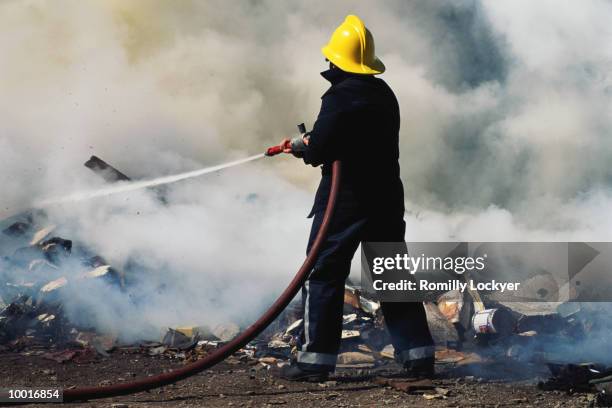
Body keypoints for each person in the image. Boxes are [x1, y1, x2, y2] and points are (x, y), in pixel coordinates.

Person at [276, 15, 434, 382]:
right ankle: (419, 356)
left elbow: (325, 145)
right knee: (392, 272)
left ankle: (315, 361)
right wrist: (316, 141)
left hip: (346, 199)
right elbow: (352, 137)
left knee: (324, 271)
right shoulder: (383, 93)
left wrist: (304, 146)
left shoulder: (341, 94)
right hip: (387, 197)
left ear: (335, 60)